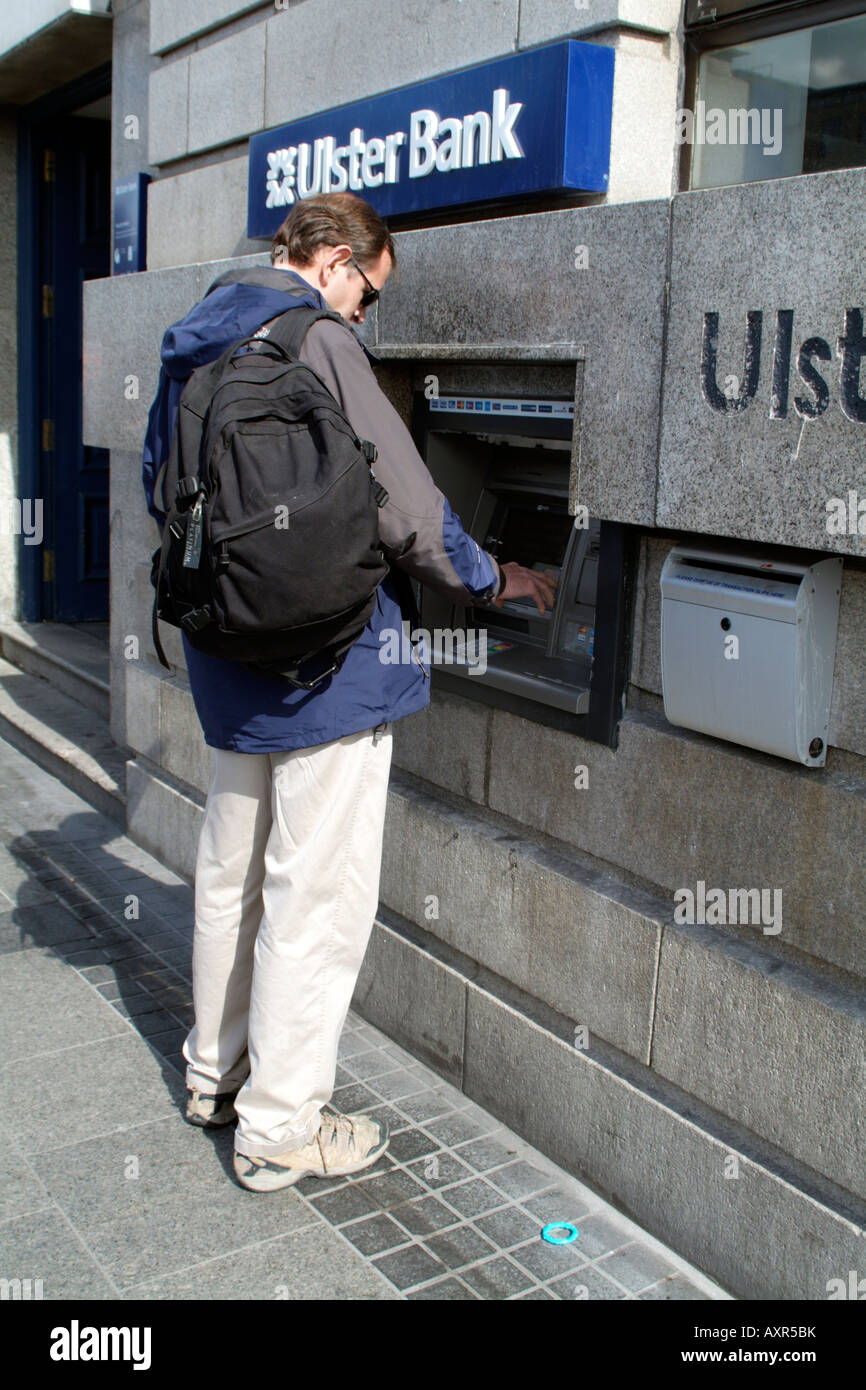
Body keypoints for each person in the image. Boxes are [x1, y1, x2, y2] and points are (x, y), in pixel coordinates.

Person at [141, 192, 557, 1193]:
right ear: (329, 259)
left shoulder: (191, 334)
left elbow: (163, 486)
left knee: (230, 870)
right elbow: (408, 507)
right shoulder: (313, 337)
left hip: (226, 647)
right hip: (329, 659)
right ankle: (282, 1129)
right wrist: (497, 579)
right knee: (312, 896)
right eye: (366, 295)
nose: (363, 317)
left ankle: (216, 1072)